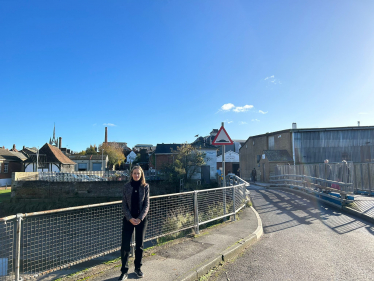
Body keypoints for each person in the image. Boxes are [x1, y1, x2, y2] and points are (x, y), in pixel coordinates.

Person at [119, 165, 150, 280]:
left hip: (141, 220)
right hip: (128, 219)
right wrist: (130, 218)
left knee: (139, 245)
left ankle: (138, 268)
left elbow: (147, 204)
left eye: (138, 173)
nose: (136, 175)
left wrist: (140, 218)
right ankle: (124, 271)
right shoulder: (126, 186)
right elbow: (124, 205)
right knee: (125, 245)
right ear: (131, 174)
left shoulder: (145, 186)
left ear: (141, 174)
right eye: (134, 173)